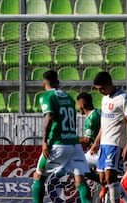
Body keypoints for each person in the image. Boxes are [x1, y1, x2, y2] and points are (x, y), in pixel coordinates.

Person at [32, 70, 91, 203]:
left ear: (43, 83)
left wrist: (44, 141)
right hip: (74, 145)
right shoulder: (69, 97)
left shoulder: (47, 96)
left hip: (58, 144)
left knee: (38, 176)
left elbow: (49, 116)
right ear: (57, 82)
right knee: (80, 179)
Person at [90, 71, 127, 203]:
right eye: (98, 89)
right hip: (104, 144)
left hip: (115, 143)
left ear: (110, 84)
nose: (100, 92)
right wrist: (97, 142)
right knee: (103, 179)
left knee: (111, 177)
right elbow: (104, 123)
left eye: (102, 88)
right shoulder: (104, 99)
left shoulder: (123, 98)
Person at [77, 92, 108, 199]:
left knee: (79, 168)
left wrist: (71, 138)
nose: (77, 107)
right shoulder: (98, 112)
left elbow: (86, 141)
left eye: (78, 105)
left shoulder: (91, 119)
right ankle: (104, 183)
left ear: (81, 104)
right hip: (101, 149)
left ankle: (104, 183)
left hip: (99, 151)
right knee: (80, 166)